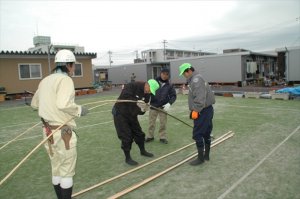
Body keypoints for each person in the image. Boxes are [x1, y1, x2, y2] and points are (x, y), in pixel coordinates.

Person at [31, 49, 89, 199]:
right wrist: (79, 109)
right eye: (73, 65)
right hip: (63, 133)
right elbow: (63, 104)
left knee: (56, 168)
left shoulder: (45, 80)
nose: (74, 69)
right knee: (67, 170)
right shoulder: (65, 80)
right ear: (68, 65)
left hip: (47, 132)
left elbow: (34, 104)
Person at [112, 79, 159, 165]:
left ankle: (143, 151)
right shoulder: (132, 86)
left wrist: (143, 109)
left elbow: (141, 109)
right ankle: (128, 158)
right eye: (149, 89)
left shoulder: (147, 94)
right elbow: (125, 96)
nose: (149, 92)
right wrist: (137, 101)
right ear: (147, 84)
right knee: (126, 136)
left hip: (132, 114)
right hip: (120, 113)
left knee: (139, 133)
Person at [178, 63, 215, 166]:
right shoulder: (197, 78)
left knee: (197, 134)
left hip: (202, 111)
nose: (184, 76)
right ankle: (206, 155)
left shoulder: (196, 80)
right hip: (207, 109)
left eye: (184, 73)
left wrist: (195, 111)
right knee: (206, 132)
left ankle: (200, 158)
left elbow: (199, 98)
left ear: (188, 71)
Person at [145, 68, 177, 144]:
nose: (164, 76)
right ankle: (150, 136)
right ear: (160, 73)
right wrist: (145, 101)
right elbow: (147, 92)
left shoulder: (169, 85)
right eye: (163, 73)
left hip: (163, 107)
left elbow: (173, 96)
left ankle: (162, 137)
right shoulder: (153, 82)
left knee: (163, 123)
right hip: (153, 105)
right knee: (151, 122)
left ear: (168, 75)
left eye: (167, 74)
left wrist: (169, 103)